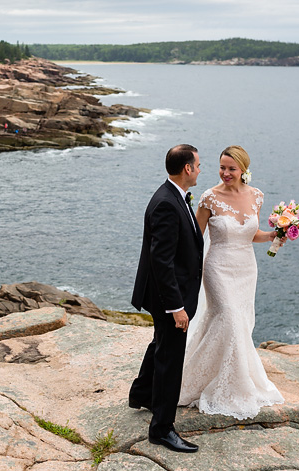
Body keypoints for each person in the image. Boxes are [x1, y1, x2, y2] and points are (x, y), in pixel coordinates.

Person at [178, 145, 284, 419]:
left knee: (239, 323)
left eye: (231, 169)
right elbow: (195, 238)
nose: (225, 173)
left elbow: (251, 235)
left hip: (246, 268)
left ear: (243, 170)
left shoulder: (256, 196)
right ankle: (225, 387)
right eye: (222, 167)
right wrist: (185, 273)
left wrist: (274, 235)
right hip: (217, 268)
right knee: (228, 316)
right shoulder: (209, 198)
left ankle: (229, 377)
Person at [128, 144, 204, 453]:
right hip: (167, 297)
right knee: (170, 359)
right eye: (198, 164)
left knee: (160, 345)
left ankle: (142, 394)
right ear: (187, 168)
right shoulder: (166, 203)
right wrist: (177, 308)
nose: (200, 168)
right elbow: (162, 262)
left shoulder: (173, 196)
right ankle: (161, 428)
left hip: (164, 294)